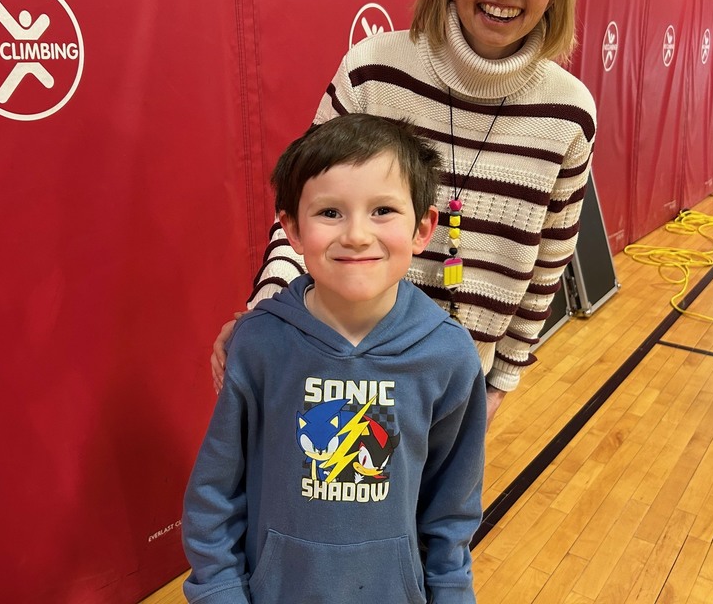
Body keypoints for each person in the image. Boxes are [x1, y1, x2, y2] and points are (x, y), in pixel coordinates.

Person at [212, 0, 596, 429]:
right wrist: (264, 315)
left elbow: (549, 263)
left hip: (453, 391)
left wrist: (502, 382)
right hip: (335, 365)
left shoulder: (570, 114)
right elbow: (304, 213)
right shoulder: (374, 71)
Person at [182, 114, 486, 604]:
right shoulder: (259, 345)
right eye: (330, 213)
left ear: (424, 228)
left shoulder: (449, 356)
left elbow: (451, 509)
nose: (357, 235)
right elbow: (214, 497)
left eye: (383, 210)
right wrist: (219, 592)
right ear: (293, 229)